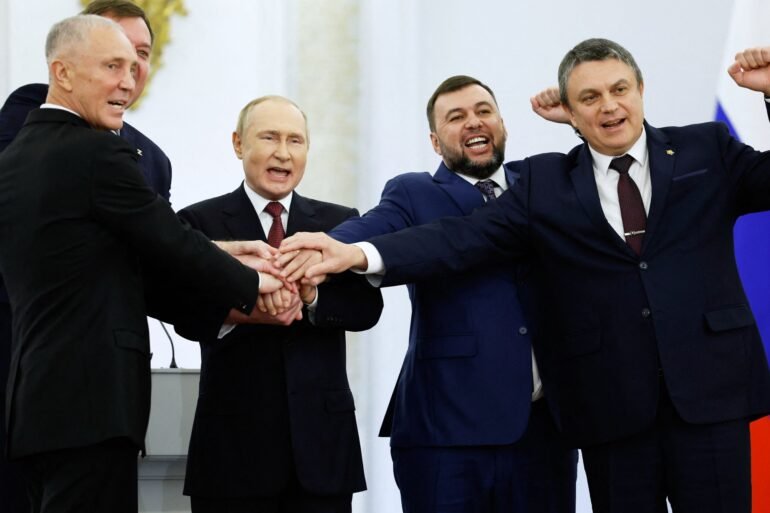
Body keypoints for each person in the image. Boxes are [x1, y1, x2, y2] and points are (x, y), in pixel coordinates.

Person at [279, 40, 770, 513]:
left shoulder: (699, 149)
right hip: (581, 417)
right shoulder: (536, 184)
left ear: (641, 89)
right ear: (569, 113)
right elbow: (456, 237)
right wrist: (352, 252)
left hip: (699, 398)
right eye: (589, 98)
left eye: (619, 89)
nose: (609, 105)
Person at [0, 15, 282, 513]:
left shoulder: (17, 157)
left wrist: (230, 251)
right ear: (62, 73)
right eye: (112, 66)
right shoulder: (96, 152)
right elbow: (168, 242)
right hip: (92, 403)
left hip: (35, 404)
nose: (128, 83)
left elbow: (114, 252)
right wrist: (256, 282)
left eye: (133, 67)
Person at [323, 75, 576, 513]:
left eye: (484, 111)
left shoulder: (542, 182)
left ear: (502, 124)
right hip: (446, 436)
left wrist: (575, 118)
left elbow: (604, 174)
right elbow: (369, 229)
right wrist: (322, 249)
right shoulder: (414, 191)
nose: (473, 122)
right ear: (435, 142)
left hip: (544, 434)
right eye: (456, 117)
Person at [177, 95, 383, 513]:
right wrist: (248, 305)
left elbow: (366, 309)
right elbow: (186, 313)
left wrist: (311, 295)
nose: (283, 153)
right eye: (269, 137)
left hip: (322, 451)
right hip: (232, 451)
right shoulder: (197, 223)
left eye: (295, 140)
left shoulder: (340, 223)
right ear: (238, 144)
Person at [0, 3, 170, 510]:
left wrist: (229, 294)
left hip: (105, 385)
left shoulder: (152, 159)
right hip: (23, 357)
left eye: (140, 56)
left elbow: (157, 256)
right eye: (114, 55)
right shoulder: (28, 117)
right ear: (68, 65)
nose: (129, 71)